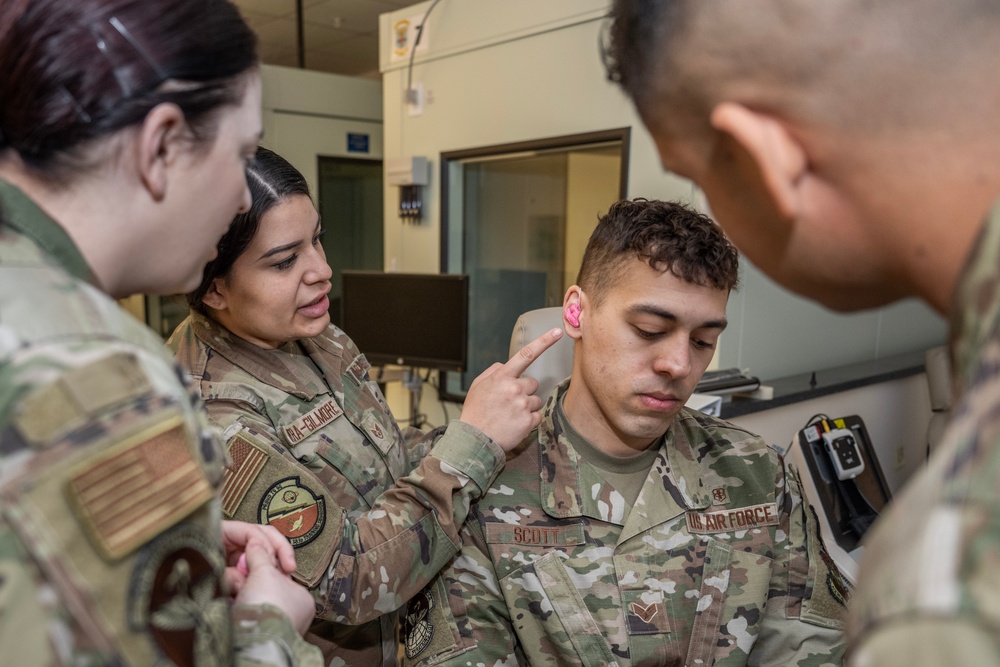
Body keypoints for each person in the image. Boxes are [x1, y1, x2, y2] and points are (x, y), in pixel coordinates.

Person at [604, 2, 1000, 664]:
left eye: (703, 178)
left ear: (768, 160)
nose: (676, 362)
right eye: (649, 327)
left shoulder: (947, 582)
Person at [0, 1, 323, 664]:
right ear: (163, 144)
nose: (241, 199)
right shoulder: (101, 372)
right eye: (242, 154)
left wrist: (187, 540)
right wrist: (267, 627)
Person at [402, 198, 848, 667]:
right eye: (650, 329)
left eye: (703, 342)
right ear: (576, 314)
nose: (679, 364)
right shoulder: (480, 490)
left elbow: (814, 648)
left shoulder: (759, 475)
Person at [169, 146, 562, 666]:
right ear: (214, 288)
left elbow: (383, 463)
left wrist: (485, 421)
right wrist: (473, 442)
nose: (321, 270)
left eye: (317, 240)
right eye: (285, 260)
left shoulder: (315, 334)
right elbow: (351, 576)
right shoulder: (216, 418)